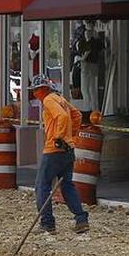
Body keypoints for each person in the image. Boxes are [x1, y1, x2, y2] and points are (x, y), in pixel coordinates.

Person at [30, 74, 90, 234]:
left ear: (41, 89)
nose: (34, 94)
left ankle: (47, 223)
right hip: (68, 150)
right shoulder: (60, 98)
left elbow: (63, 116)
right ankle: (81, 219)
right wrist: (71, 136)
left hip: (54, 150)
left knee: (41, 186)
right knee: (67, 185)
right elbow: (77, 114)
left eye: (35, 90)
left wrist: (59, 137)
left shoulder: (49, 100)